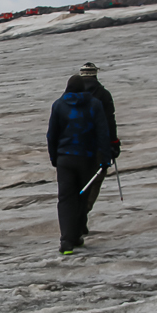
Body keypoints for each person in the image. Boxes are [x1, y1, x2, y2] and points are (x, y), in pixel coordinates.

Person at [47, 75, 111, 255]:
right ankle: (75, 235)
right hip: (87, 159)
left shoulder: (59, 105)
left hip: (65, 159)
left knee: (66, 199)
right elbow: (102, 132)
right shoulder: (95, 105)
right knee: (83, 197)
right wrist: (105, 158)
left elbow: (52, 134)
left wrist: (54, 157)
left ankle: (67, 240)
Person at [78, 62, 121, 232]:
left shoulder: (70, 95)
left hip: (73, 148)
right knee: (94, 181)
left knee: (77, 183)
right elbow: (110, 121)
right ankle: (83, 214)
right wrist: (114, 144)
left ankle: (75, 218)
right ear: (95, 75)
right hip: (97, 146)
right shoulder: (103, 94)